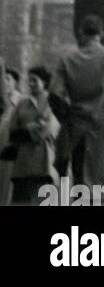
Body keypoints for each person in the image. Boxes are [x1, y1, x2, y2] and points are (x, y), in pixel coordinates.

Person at [51, 14, 104, 186]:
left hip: (80, 130)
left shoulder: (67, 59)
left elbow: (54, 95)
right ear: (102, 33)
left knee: (83, 182)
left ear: (80, 32)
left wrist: (68, 118)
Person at [8, 66, 60, 204]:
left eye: (34, 80)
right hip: (22, 161)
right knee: (21, 201)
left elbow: (45, 128)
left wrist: (25, 130)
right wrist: (32, 127)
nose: (30, 84)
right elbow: (12, 130)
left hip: (44, 160)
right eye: (29, 81)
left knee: (42, 199)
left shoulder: (52, 102)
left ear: (45, 82)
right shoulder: (23, 103)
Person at [0, 67, 22, 204]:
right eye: (3, 78)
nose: (4, 82)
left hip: (10, 151)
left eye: (8, 78)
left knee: (7, 189)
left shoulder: (21, 102)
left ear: (15, 83)